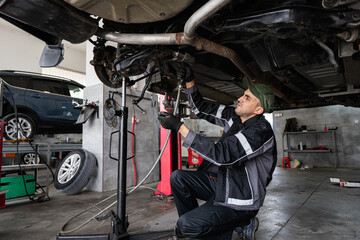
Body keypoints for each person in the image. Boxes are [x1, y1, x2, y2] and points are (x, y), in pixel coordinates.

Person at [158, 62, 277, 240]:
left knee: (186, 225)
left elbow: (222, 155)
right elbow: (201, 108)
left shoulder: (260, 131)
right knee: (178, 178)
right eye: (243, 95)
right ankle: (201, 225)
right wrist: (190, 81)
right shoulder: (234, 117)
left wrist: (179, 128)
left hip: (240, 199)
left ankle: (242, 221)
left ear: (258, 110)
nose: (240, 99)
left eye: (248, 98)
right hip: (221, 183)